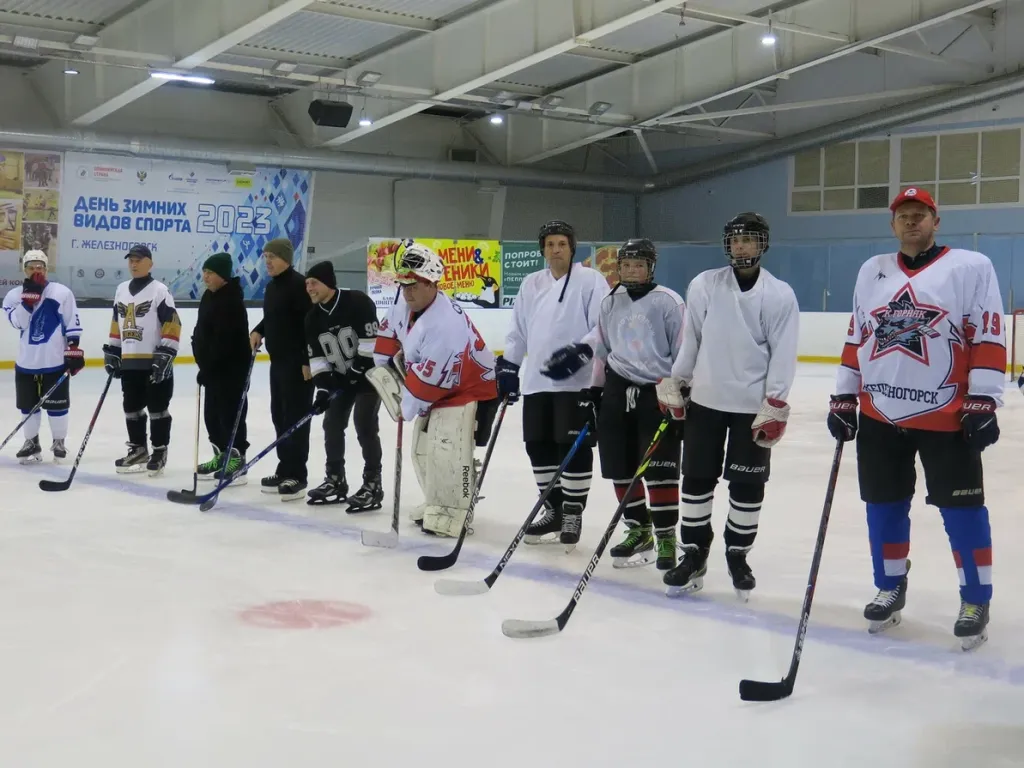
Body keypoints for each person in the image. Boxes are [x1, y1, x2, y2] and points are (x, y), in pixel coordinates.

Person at [827, 187, 1003, 651]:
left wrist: (984, 398)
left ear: (935, 220)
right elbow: (858, 333)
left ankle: (975, 598)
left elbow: (986, 330)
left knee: (962, 510)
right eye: (903, 215)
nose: (911, 222)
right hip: (881, 413)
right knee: (882, 506)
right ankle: (890, 585)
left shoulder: (969, 267)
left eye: (919, 214)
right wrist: (844, 395)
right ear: (892, 224)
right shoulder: (873, 270)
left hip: (947, 415)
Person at [656, 212, 799, 601]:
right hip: (706, 401)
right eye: (735, 239)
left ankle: (738, 555)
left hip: (751, 407)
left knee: (747, 484)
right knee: (697, 481)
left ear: (762, 244)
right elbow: (693, 338)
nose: (740, 246)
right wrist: (677, 379)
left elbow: (783, 353)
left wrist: (776, 402)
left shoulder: (779, 294)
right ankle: (694, 552)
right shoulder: (704, 284)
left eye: (748, 239)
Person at [541, 239, 685, 564]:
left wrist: (681, 388)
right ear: (618, 267)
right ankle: (638, 529)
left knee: (660, 468)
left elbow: (684, 349)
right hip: (617, 390)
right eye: (627, 265)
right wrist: (593, 391)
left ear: (651, 267)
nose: (632, 271)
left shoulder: (669, 302)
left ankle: (665, 537)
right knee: (620, 466)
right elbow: (603, 348)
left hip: (657, 391)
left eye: (639, 265)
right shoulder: (610, 301)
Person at [372, 240, 499, 537]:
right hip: (440, 386)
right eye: (404, 284)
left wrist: (403, 408)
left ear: (433, 284)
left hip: (468, 390)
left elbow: (424, 388)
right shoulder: (405, 302)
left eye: (415, 284)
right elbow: (389, 332)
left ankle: (455, 511)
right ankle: (436, 501)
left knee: (448, 449)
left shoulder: (445, 326)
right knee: (422, 451)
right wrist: (384, 367)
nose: (408, 291)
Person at [498, 220, 608, 547]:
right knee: (537, 444)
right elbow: (518, 331)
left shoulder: (591, 280)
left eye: (561, 244)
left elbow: (603, 325)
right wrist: (509, 368)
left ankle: (573, 511)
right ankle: (554, 509)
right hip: (536, 382)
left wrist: (582, 350)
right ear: (542, 250)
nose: (555, 250)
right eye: (549, 245)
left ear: (571, 247)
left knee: (571, 446)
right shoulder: (532, 284)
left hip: (577, 382)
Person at [304, 260, 384, 511]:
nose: (309, 288)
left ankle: (373, 483)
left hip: (370, 376)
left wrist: (355, 373)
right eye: (307, 284)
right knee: (332, 423)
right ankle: (336, 479)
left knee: (364, 424)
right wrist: (324, 388)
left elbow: (371, 342)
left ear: (328, 283)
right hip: (341, 379)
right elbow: (316, 358)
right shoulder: (312, 317)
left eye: (314, 283)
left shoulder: (357, 302)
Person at [103, 244, 181, 476]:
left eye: (138, 260)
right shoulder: (121, 290)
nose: (134, 264)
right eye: (131, 260)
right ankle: (138, 449)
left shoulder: (159, 290)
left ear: (150, 263)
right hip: (130, 361)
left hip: (154, 361)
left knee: (158, 408)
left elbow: (172, 323)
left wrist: (166, 353)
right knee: (131, 407)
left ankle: (159, 450)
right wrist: (113, 349)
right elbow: (116, 322)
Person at [2, 250, 83, 463]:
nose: (36, 270)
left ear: (46, 269)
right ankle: (31, 441)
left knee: (58, 405)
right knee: (28, 405)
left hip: (54, 360)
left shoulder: (61, 292)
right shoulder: (13, 296)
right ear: (24, 269)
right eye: (31, 267)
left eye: (40, 266)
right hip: (26, 362)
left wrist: (73, 349)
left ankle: (58, 441)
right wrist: (28, 301)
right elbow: (18, 323)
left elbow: (71, 323)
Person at [249, 238, 313, 501]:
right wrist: (259, 330)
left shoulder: (299, 285)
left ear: (286, 258)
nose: (268, 263)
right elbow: (275, 316)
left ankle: (297, 474)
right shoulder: (273, 286)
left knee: (296, 418)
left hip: (298, 366)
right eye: (265, 258)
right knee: (280, 416)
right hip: (278, 363)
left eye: (272, 257)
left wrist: (307, 361)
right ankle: (284, 467)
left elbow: (310, 324)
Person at [191, 252, 251, 485]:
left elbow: (225, 341)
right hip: (211, 370)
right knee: (212, 416)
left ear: (223, 276)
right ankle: (220, 456)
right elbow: (201, 332)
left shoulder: (232, 300)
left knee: (230, 414)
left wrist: (210, 365)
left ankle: (237, 460)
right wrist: (200, 360)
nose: (205, 277)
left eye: (210, 273)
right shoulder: (209, 297)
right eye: (204, 272)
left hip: (231, 371)